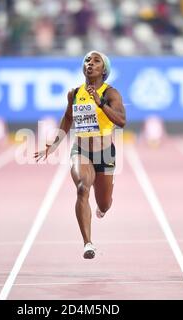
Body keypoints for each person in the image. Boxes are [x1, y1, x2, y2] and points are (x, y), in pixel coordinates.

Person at [35, 51, 126, 259]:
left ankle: (103, 207)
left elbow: (121, 121)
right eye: (87, 60)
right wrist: (53, 145)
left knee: (104, 203)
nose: (90, 64)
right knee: (82, 188)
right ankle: (88, 243)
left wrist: (101, 103)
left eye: (96, 61)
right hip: (81, 150)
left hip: (104, 153)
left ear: (104, 70)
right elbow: (68, 119)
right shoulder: (74, 93)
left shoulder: (111, 94)